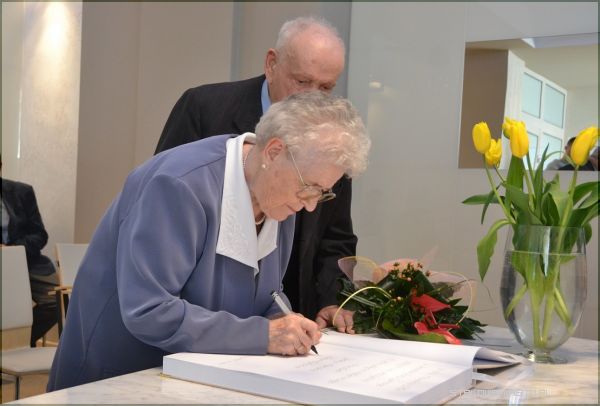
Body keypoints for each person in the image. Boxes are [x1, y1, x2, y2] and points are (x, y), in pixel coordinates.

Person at [47, 91, 371, 391]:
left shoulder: (281, 193)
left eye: (322, 193)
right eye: (309, 187)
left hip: (190, 378)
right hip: (116, 377)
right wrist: (264, 335)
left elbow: (264, 293)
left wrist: (283, 319)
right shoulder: (179, 185)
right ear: (273, 152)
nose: (311, 205)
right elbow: (149, 311)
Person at [155, 16, 356, 331]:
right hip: (200, 316)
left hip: (287, 310)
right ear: (272, 64)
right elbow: (164, 206)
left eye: (326, 87)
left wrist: (332, 300)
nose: (312, 97)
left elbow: (335, 235)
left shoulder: (332, 136)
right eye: (302, 82)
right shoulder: (205, 109)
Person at [1, 156, 59, 347]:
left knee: (57, 300)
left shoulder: (21, 192)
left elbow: (40, 234)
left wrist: (14, 251)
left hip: (25, 261)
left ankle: (19, 343)